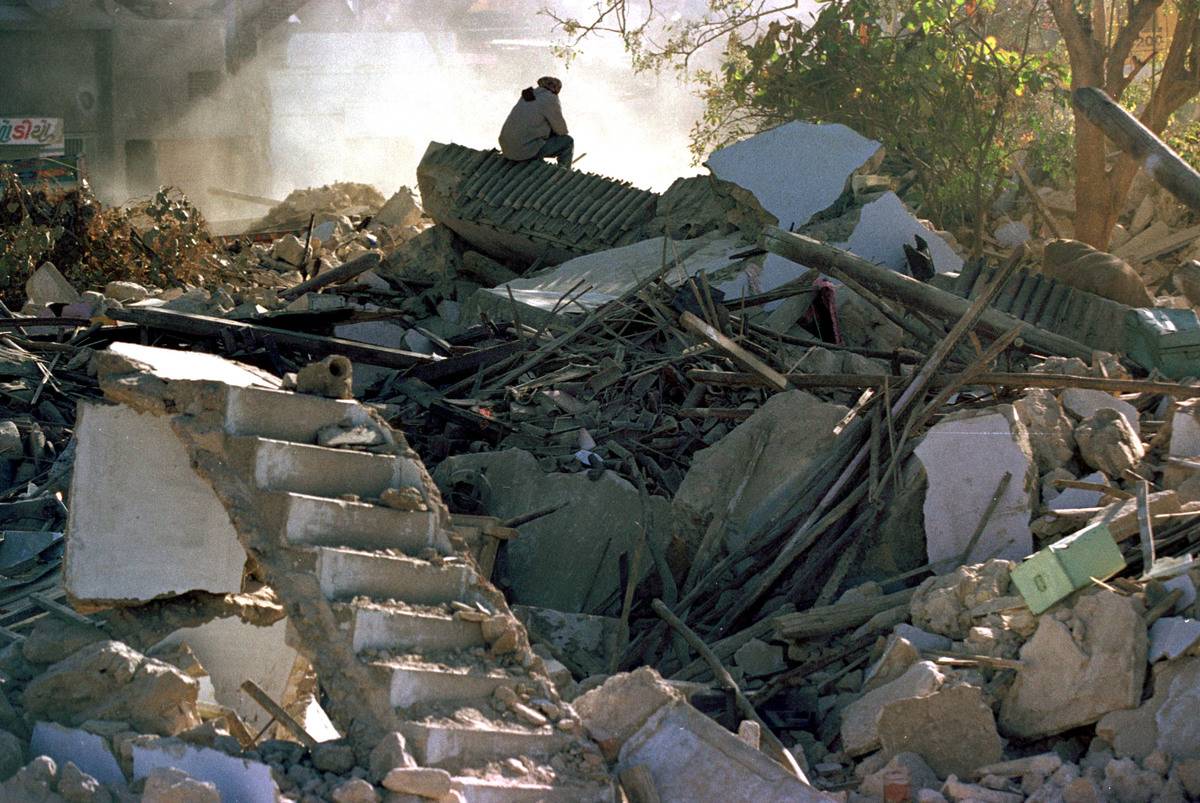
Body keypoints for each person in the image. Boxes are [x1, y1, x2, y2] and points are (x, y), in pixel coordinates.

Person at [498, 76, 574, 168]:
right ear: (555, 88)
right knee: (567, 141)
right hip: (522, 151)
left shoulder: (527, 94)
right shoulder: (550, 98)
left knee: (540, 133)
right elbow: (562, 130)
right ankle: (563, 170)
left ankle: (534, 156)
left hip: (506, 148)